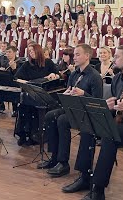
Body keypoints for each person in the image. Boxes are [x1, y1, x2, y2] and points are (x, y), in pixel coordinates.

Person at [63, 45, 123, 200]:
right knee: (89, 124)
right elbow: (116, 108)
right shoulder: (117, 79)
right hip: (121, 122)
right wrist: (109, 106)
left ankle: (98, 188)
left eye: (117, 57)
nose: (114, 60)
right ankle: (84, 177)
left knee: (110, 133)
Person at [40, 44, 103, 178]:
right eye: (74, 54)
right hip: (73, 108)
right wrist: (67, 93)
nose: (74, 57)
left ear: (87, 56)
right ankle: (55, 156)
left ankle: (63, 162)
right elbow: (68, 91)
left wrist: (83, 94)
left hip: (86, 112)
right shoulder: (74, 74)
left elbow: (97, 102)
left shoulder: (95, 76)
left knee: (62, 120)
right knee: (50, 116)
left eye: (77, 54)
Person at [14, 43, 59, 145]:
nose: (31, 53)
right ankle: (24, 134)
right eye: (30, 51)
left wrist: (54, 75)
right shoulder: (27, 64)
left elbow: (57, 75)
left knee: (36, 108)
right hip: (31, 92)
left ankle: (37, 136)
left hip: (44, 95)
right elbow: (17, 78)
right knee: (24, 107)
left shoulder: (48, 63)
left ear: (38, 51)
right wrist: (27, 83)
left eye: (33, 51)